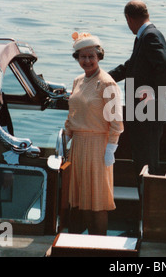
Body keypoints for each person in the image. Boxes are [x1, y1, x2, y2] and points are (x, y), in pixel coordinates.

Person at [65, 32, 124, 235]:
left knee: (97, 200)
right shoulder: (77, 81)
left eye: (92, 56)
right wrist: (66, 136)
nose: (87, 61)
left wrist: (111, 148)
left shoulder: (107, 83)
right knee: (79, 199)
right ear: (77, 58)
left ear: (99, 57)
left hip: (99, 146)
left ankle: (99, 245)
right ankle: (76, 244)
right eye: (83, 57)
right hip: (78, 145)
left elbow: (116, 121)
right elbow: (73, 113)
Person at [108, 0, 166, 176]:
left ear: (128, 18)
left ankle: (149, 202)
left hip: (148, 113)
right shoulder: (147, 36)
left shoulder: (149, 36)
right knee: (143, 160)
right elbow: (130, 66)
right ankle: (145, 201)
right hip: (145, 114)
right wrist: (103, 77)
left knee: (146, 164)